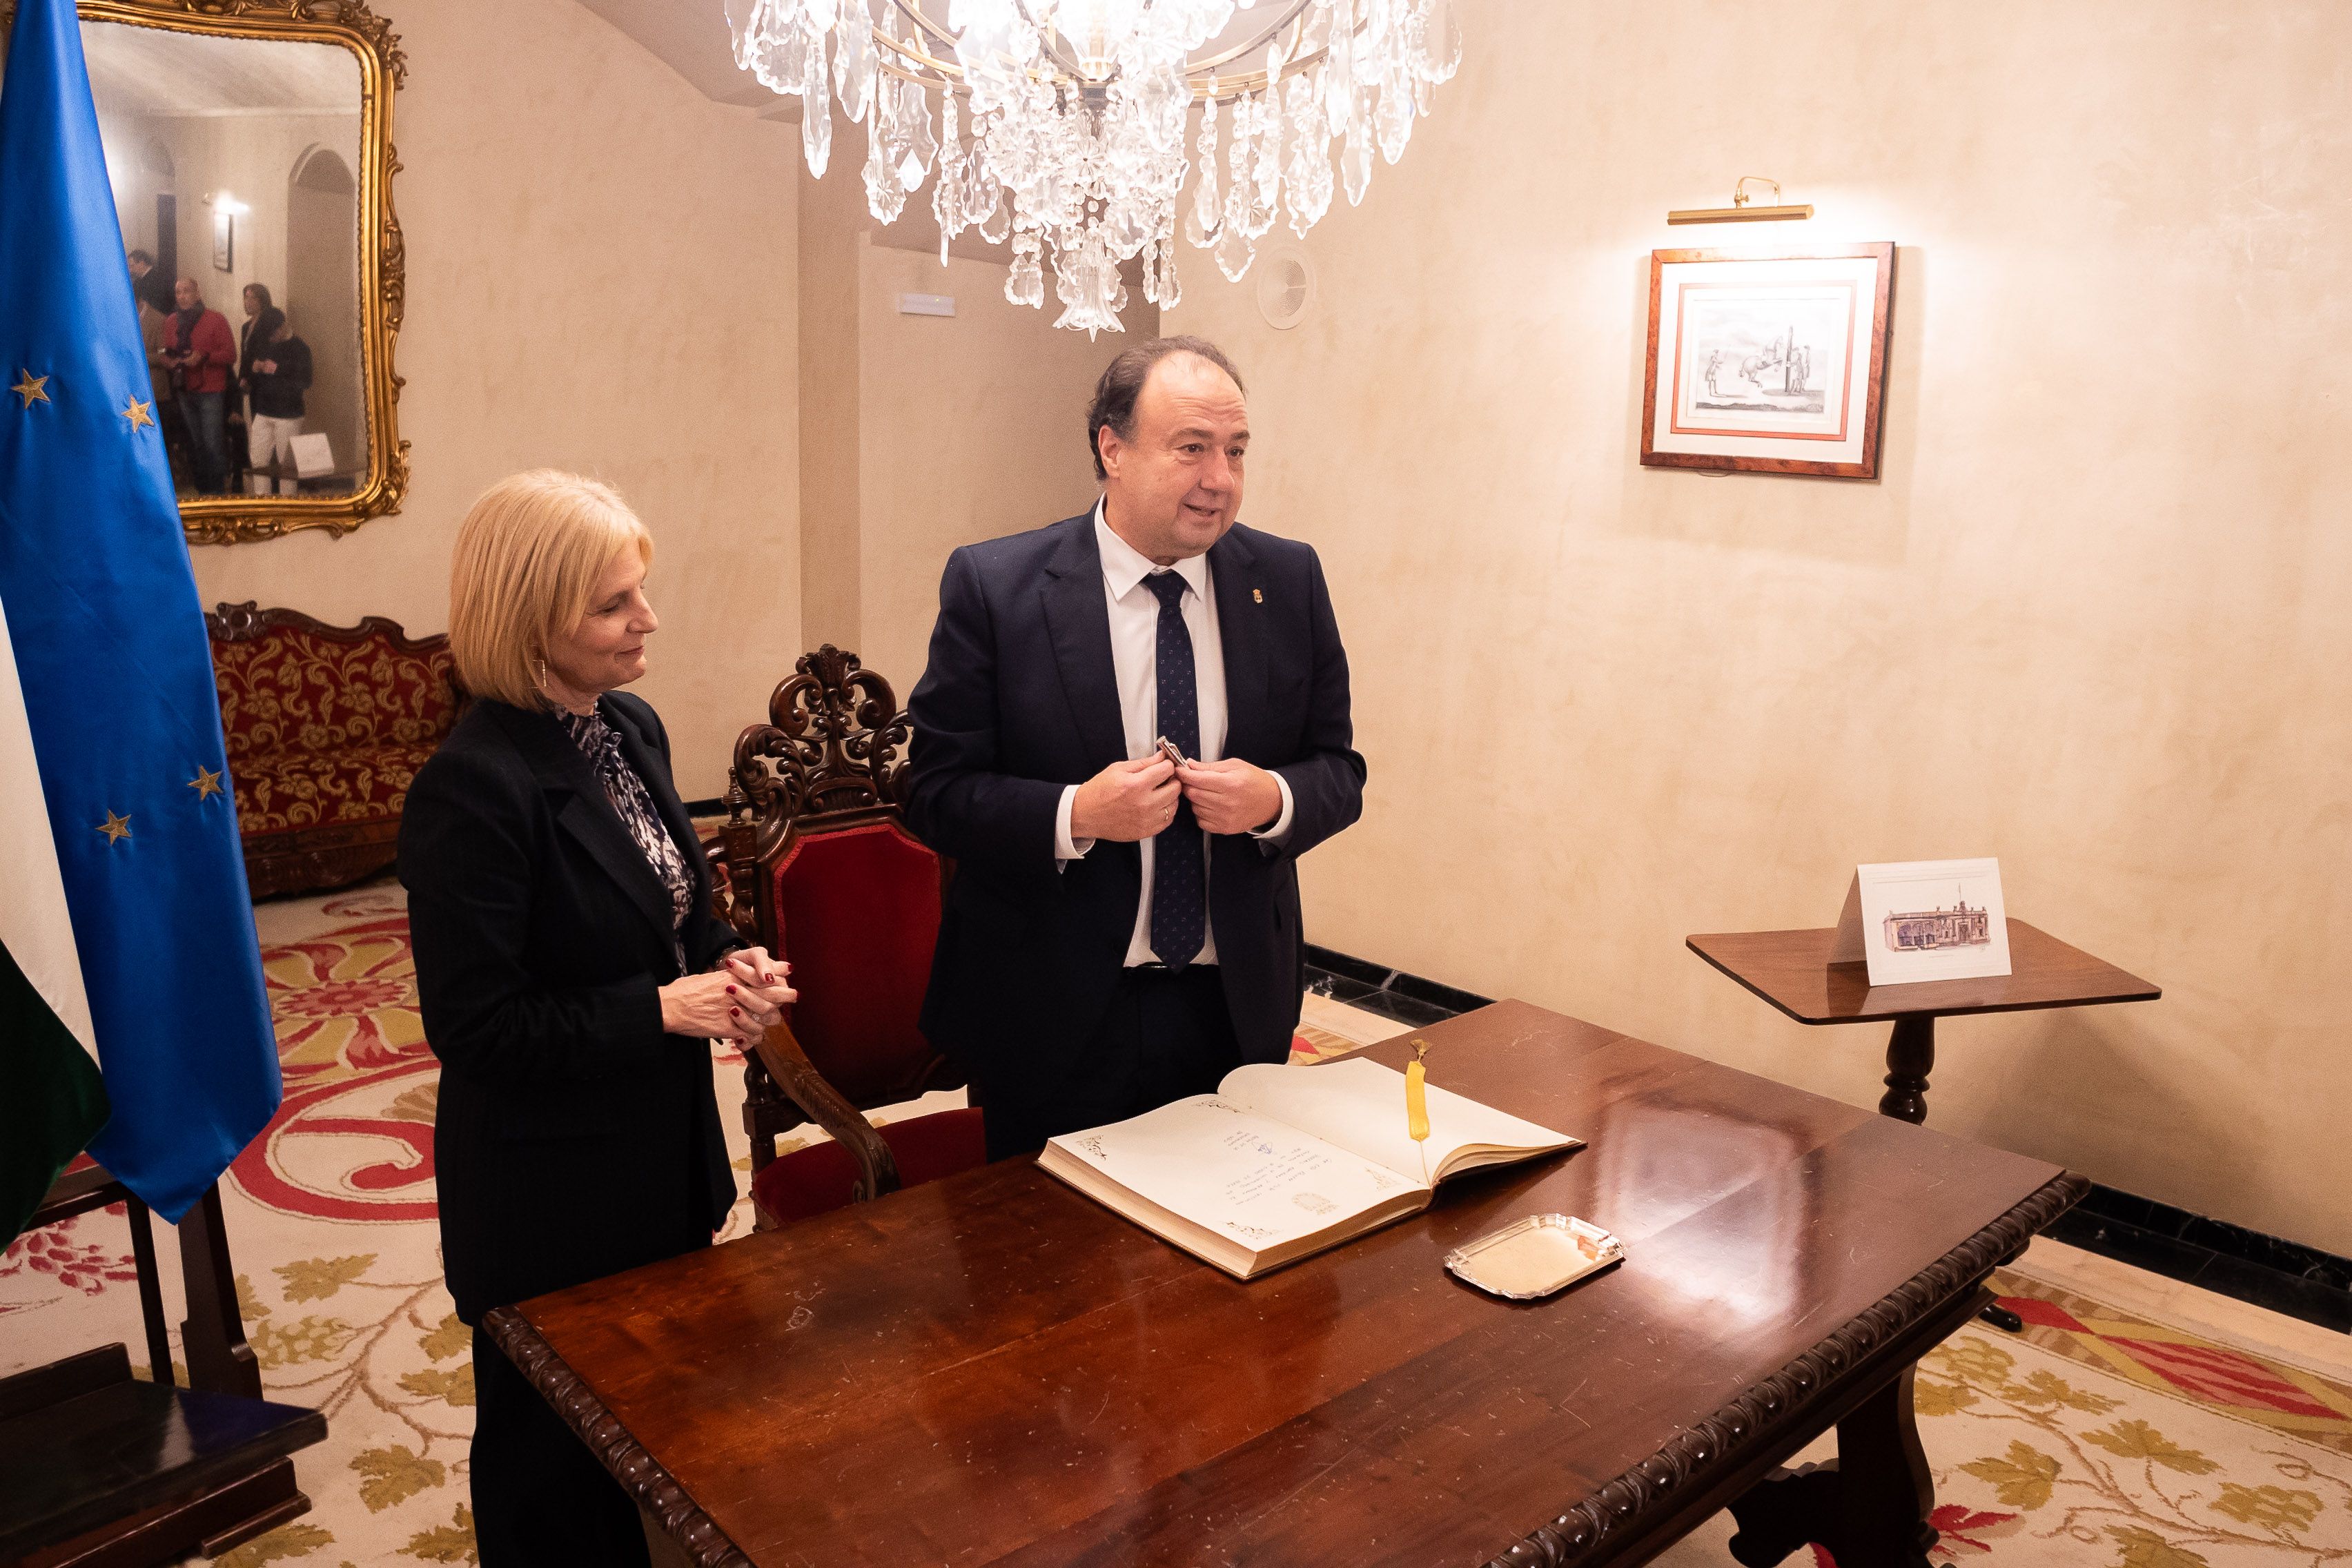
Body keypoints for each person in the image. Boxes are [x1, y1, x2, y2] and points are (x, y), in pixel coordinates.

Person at [398, 470, 794, 1567]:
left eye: (642, 591)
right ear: (532, 622)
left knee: (656, 1423)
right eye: (614, 605)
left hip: (656, 1153)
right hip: (544, 1194)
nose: (647, 621)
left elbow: (678, 906)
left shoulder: (628, 724)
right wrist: (662, 1008)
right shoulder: (470, 788)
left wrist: (730, 960)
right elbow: (479, 1031)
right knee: (550, 1475)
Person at [905, 336, 1366, 1160]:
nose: (1219, 478)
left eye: (1235, 450)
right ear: (1111, 449)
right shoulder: (996, 587)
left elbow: (1339, 769)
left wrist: (1274, 801)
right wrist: (1075, 813)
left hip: (1235, 1006)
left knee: (1234, 1259)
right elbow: (933, 790)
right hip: (1054, 1011)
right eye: (1191, 448)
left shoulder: (1287, 580)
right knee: (1047, 1277)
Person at [158, 277, 233, 493]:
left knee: (212, 444)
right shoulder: (172, 321)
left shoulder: (215, 319)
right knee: (196, 443)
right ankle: (203, 491)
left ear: (197, 293)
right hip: (184, 388)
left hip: (210, 389)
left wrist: (204, 357)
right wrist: (168, 360)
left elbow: (230, 354)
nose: (182, 296)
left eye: (187, 291)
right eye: (178, 292)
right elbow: (167, 349)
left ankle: (217, 494)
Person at [242, 306, 311, 496]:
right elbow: (252, 377)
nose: (270, 339)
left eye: (272, 335)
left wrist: (278, 370)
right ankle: (261, 500)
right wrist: (254, 370)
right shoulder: (265, 345)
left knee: (286, 464)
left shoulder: (300, 348)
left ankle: (288, 503)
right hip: (264, 410)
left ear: (282, 328)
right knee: (258, 459)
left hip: (289, 414)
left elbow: (306, 381)